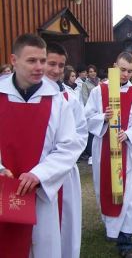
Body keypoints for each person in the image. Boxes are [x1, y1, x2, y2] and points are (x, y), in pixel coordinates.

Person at [0, 34, 82, 258]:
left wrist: (39, 174)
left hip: (40, 192)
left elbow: (69, 147)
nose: (39, 67)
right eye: (31, 61)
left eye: (42, 61)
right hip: (3, 189)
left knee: (42, 246)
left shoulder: (57, 102)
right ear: (14, 60)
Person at [84, 52, 132, 258]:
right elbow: (86, 117)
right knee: (105, 190)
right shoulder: (98, 91)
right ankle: (111, 228)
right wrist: (103, 117)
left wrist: (128, 134)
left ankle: (126, 243)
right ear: (114, 66)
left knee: (128, 197)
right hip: (103, 148)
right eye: (122, 70)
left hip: (127, 152)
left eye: (130, 71)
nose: (126, 75)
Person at [45, 42, 88, 258]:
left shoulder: (70, 98)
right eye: (50, 63)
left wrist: (63, 157)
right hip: (36, 171)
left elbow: (81, 132)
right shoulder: (28, 97)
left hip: (65, 171)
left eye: (60, 66)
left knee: (66, 222)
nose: (56, 70)